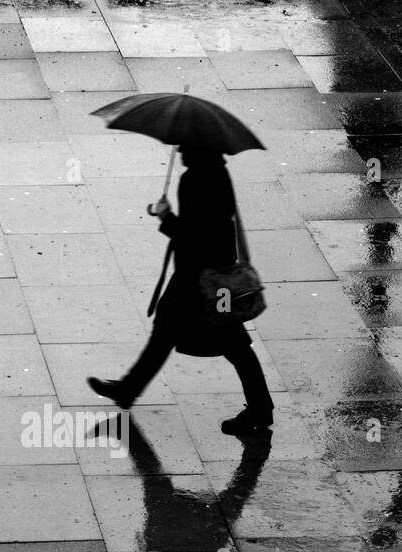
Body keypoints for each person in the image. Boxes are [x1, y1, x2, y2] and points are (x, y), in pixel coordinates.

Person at [87, 145, 274, 435]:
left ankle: (260, 409)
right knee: (178, 335)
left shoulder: (197, 178)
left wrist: (166, 218)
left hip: (201, 281)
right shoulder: (215, 171)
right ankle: (128, 389)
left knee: (231, 344)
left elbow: (194, 236)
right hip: (207, 277)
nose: (180, 149)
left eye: (184, 144)